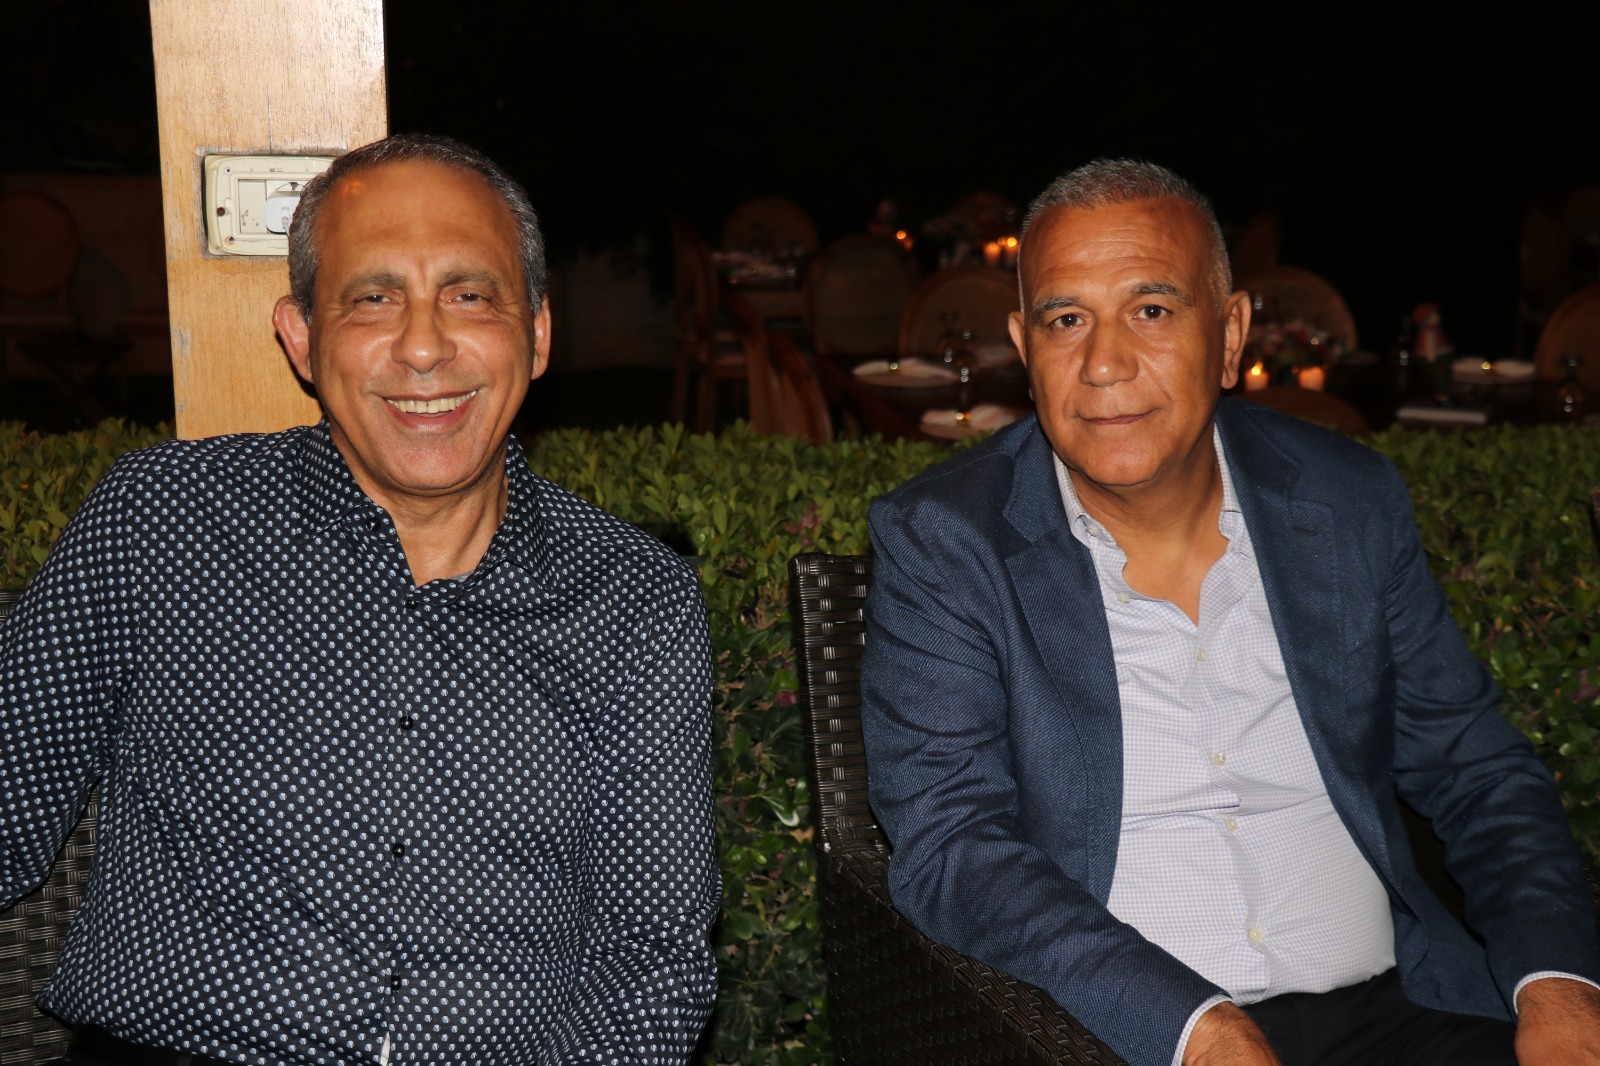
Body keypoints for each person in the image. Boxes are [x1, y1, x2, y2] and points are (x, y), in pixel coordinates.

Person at [859, 159, 1600, 1066]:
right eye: (1066, 320)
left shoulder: (1344, 499)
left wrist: (1561, 990)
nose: (1103, 363)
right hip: (1125, 1036)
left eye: (1151, 309)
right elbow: (952, 844)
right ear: (1024, 343)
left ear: (1231, 333)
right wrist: (1196, 1026)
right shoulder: (946, 540)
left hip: (1404, 1013)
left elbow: (1477, 769)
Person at [0, 133, 719, 1065]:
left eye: (469, 295)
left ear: (538, 333)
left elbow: (651, 960)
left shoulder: (634, 599)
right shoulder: (161, 522)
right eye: (374, 298)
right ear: (301, 335)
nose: (423, 345)